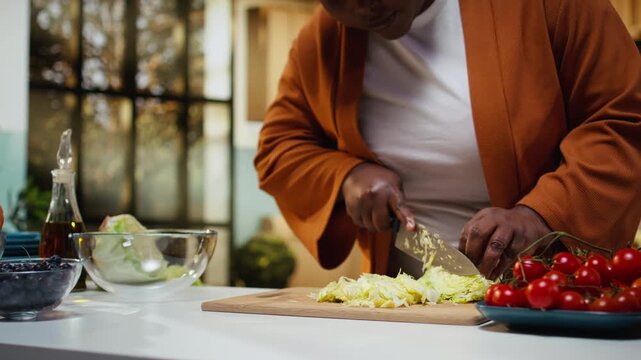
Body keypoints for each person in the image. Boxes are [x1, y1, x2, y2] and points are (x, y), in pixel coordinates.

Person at [254, 0, 641, 279]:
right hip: (407, 309)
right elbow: (279, 148)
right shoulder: (323, 39)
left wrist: (540, 216)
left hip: (546, 293)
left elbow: (624, 119)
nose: (362, 7)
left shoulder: (553, 6)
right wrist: (348, 175)